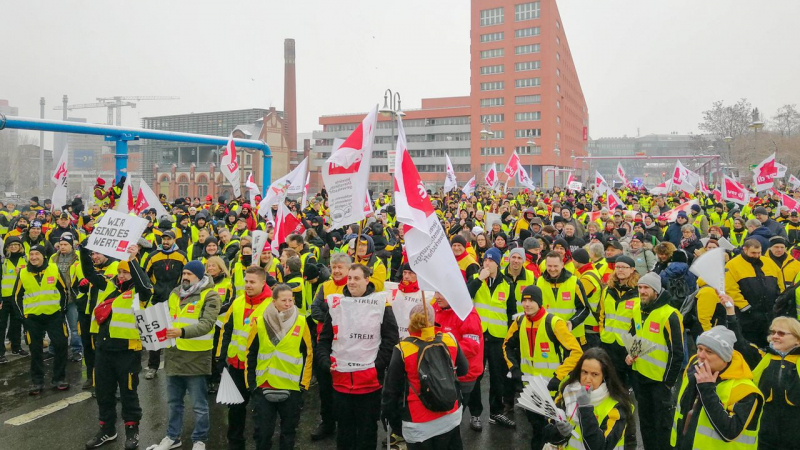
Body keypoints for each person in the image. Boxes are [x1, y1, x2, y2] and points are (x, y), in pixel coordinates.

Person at [315, 263, 399, 450]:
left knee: (367, 433)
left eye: (356, 278)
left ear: (367, 280)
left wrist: (377, 365)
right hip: (341, 383)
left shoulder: (380, 304)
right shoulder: (337, 305)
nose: (351, 282)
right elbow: (324, 340)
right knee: (344, 433)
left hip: (369, 384)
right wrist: (325, 362)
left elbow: (391, 339)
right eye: (350, 278)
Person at [84, 247, 152, 450]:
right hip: (104, 351)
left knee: (128, 393)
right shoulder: (110, 288)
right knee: (104, 393)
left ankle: (132, 431)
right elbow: (89, 272)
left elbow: (144, 286)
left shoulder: (141, 294)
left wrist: (132, 260)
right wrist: (83, 249)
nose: (122, 276)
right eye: (120, 272)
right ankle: (107, 430)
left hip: (127, 352)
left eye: (126, 272)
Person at [148, 261, 221, 450]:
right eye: (184, 273)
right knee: (174, 402)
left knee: (199, 404)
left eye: (189, 273)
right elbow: (165, 317)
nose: (185, 277)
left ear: (199, 275)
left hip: (196, 357)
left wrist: (181, 332)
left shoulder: (210, 295)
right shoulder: (175, 293)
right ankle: (173, 436)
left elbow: (207, 324)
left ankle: (200, 439)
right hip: (174, 355)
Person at [502, 285, 583, 450]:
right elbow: (506, 346)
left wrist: (558, 376)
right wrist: (514, 368)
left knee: (553, 431)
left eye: (531, 300)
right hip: (530, 388)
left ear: (539, 303)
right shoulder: (519, 321)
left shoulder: (554, 323)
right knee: (536, 428)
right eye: (524, 300)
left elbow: (576, 352)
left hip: (552, 389)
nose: (527, 304)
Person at [381, 302, 468, 450]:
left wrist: (392, 421)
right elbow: (463, 370)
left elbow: (391, 390)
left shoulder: (403, 348)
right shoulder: (449, 339)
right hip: (450, 414)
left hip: (418, 422)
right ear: (433, 320)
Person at [671, 326, 764, 450]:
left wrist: (707, 389)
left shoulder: (745, 390)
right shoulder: (694, 365)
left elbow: (730, 432)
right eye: (699, 349)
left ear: (725, 357)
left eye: (709, 352)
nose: (701, 356)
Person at [725, 300, 800, 450]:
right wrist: (730, 311)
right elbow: (739, 343)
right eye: (773, 332)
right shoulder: (761, 357)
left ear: (797, 339)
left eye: (781, 333)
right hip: (765, 434)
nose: (775, 336)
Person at [246, 283, 313, 450]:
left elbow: (308, 354)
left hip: (291, 388)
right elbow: (251, 353)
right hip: (264, 385)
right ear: (274, 301)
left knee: (288, 434)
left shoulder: (301, 321)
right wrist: (251, 383)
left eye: (291, 300)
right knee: (262, 434)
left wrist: (303, 384)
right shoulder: (260, 322)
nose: (288, 304)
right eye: (284, 300)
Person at [219, 265, 273, 450]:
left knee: (260, 412)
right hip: (235, 364)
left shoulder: (271, 305)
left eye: (252, 282)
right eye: (246, 282)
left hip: (258, 368)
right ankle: (235, 444)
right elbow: (226, 330)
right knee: (235, 409)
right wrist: (221, 357)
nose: (247, 286)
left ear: (263, 283)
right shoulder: (238, 301)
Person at [628, 273, 684, 450]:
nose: (642, 291)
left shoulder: (670, 315)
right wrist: (631, 353)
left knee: (663, 426)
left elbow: (677, 352)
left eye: (646, 288)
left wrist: (668, 383)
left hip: (660, 382)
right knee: (646, 424)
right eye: (640, 287)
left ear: (656, 291)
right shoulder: (637, 309)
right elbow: (634, 335)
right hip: (641, 377)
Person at [467, 247, 516, 428]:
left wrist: (510, 339)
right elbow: (465, 297)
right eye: (485, 260)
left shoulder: (507, 284)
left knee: (498, 376)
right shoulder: (475, 280)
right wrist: (479, 279)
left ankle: (496, 412)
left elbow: (511, 312)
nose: (487, 263)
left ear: (498, 263)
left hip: (498, 337)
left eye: (491, 261)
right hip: (477, 335)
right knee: (476, 375)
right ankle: (475, 413)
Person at [548, 348, 633, 450]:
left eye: (594, 374)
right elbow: (548, 434)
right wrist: (560, 433)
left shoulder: (617, 407)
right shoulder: (567, 393)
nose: (587, 379)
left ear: (604, 376)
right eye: (584, 372)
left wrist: (585, 409)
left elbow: (600, 447)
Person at [308, 253, 353, 441]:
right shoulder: (324, 287)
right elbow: (315, 309)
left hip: (345, 346)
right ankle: (327, 423)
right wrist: (332, 318)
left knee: (343, 390)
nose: (336, 270)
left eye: (340, 267)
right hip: (324, 344)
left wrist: (330, 315)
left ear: (348, 269)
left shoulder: (352, 288)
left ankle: (344, 425)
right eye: (334, 267)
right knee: (325, 390)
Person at [13, 245, 69, 394]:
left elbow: (64, 291)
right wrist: (22, 316)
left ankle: (59, 378)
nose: (33, 257)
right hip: (32, 319)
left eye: (37, 254)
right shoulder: (23, 273)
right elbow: (16, 296)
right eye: (31, 254)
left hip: (54, 316)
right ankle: (37, 382)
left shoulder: (54, 269)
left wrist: (62, 310)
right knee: (35, 350)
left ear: (43, 256)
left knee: (61, 345)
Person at [433, 291, 484, 432]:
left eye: (441, 293)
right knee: (443, 419)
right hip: (443, 372)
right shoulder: (435, 307)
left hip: (463, 375)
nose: (436, 296)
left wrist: (440, 350)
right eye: (436, 292)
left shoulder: (467, 314)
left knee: (452, 421)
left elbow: (472, 346)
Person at [143, 230, 188, 380]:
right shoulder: (153, 256)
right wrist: (152, 290)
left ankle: (177, 365)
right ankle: (152, 367)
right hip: (157, 299)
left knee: (175, 333)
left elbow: (187, 276)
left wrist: (182, 293)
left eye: (168, 239)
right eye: (164, 239)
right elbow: (144, 276)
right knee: (156, 335)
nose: (166, 242)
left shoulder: (181, 256)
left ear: (174, 240)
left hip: (176, 299)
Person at [725, 239, 782, 347]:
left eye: (759, 253)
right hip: (748, 316)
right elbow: (731, 289)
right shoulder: (732, 265)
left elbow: (780, 283)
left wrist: (778, 302)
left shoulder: (769, 262)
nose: (756, 256)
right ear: (745, 250)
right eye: (753, 253)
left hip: (770, 312)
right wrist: (746, 308)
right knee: (751, 345)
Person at [599, 255, 640, 387]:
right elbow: (602, 315)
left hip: (626, 344)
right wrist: (602, 332)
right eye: (618, 267)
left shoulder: (638, 292)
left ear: (632, 269)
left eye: (624, 267)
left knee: (626, 382)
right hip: (608, 341)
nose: (620, 270)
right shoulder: (607, 290)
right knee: (609, 378)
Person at [0, 236, 28, 363]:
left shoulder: (26, 260)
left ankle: (16, 347)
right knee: (2, 325)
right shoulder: (3, 261)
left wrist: (21, 272)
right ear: (6, 247)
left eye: (16, 244)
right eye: (11, 245)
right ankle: (1, 352)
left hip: (19, 297)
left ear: (20, 246)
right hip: (4, 298)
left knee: (17, 323)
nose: (13, 246)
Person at [572, 248, 603, 349]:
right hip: (591, 324)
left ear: (576, 261)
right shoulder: (592, 270)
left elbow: (575, 297)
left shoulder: (587, 278)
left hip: (589, 326)